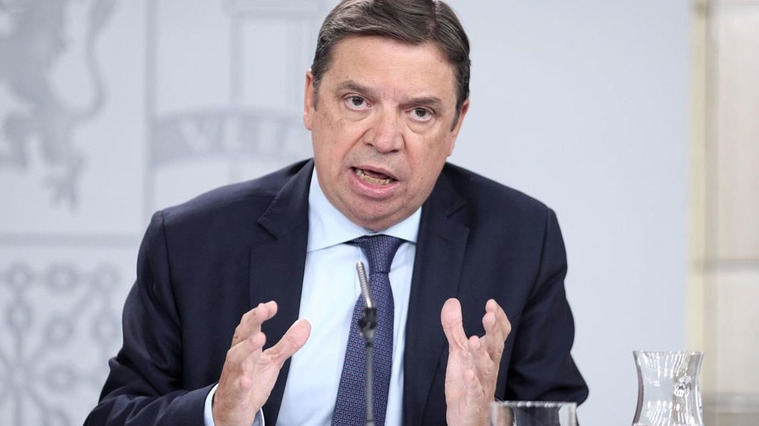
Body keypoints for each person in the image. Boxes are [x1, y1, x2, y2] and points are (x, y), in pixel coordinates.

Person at [86, 1, 588, 425]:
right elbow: (115, 415)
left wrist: (493, 423)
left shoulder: (520, 240)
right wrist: (218, 413)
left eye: (420, 112)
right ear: (311, 100)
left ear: (456, 125)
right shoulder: (192, 241)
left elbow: (554, 412)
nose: (385, 139)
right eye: (357, 101)